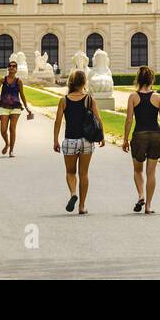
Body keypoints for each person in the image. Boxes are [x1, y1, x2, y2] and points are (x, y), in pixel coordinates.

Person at [123, 66, 160, 213]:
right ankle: (148, 206)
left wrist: (125, 139)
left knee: (138, 170)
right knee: (151, 172)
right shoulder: (158, 98)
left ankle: (140, 195)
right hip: (155, 136)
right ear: (152, 80)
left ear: (138, 80)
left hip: (139, 135)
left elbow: (128, 120)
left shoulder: (133, 97)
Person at [53, 69, 104, 214]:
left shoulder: (64, 100)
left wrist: (55, 140)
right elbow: (98, 119)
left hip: (70, 141)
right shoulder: (89, 99)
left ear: (71, 82)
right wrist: (102, 136)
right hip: (86, 141)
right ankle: (82, 206)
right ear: (84, 82)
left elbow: (57, 122)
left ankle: (73, 193)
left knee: (70, 172)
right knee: (84, 174)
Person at [0, 60, 33, 157]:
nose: (12, 67)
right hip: (4, 106)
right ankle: (7, 143)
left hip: (16, 107)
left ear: (16, 69)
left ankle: (12, 150)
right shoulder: (3, 79)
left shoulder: (19, 81)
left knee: (12, 128)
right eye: (10, 66)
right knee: (3, 130)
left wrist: (27, 108)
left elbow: (22, 95)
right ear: (8, 68)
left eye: (14, 66)